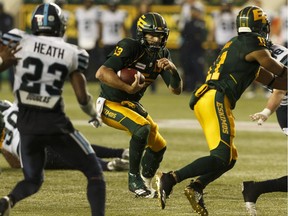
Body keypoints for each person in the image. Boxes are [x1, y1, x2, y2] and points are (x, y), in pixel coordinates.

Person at [156, 5, 287, 215]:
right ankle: (170, 178)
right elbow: (273, 67)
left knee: (229, 158)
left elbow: (273, 79)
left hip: (208, 99)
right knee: (220, 156)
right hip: (216, 97)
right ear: (260, 26)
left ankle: (196, 187)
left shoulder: (240, 47)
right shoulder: (254, 43)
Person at [0, 3, 105, 216]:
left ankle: (7, 201)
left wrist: (4, 63)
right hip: (53, 122)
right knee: (94, 172)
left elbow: (3, 60)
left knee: (33, 179)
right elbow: (82, 97)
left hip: (25, 125)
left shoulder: (19, 39)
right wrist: (93, 114)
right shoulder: (72, 52)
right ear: (60, 25)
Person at [95, 12, 182, 198]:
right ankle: (133, 180)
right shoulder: (130, 47)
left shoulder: (163, 54)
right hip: (110, 103)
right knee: (142, 128)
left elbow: (176, 90)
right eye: (151, 34)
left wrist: (173, 70)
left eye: (160, 35)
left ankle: (146, 184)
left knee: (159, 145)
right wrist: (127, 87)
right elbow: (102, 73)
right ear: (142, 34)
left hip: (130, 103)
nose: (156, 39)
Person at [0, 100, 129, 171]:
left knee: (72, 159)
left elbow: (15, 164)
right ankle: (121, 152)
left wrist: (3, 148)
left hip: (31, 150)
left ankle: (108, 165)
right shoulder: (16, 105)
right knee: (78, 146)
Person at [242, 43, 288, 216]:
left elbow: (280, 89)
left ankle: (254, 189)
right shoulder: (262, 55)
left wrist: (266, 112)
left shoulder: (277, 57)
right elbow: (280, 90)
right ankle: (255, 189)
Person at [180, 4, 207, 92]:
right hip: (188, 50)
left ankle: (204, 87)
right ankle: (189, 87)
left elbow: (201, 37)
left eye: (195, 11)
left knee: (198, 70)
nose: (193, 13)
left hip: (197, 50)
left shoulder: (201, 23)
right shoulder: (188, 23)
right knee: (188, 69)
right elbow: (184, 34)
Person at [75, 0, 102, 81]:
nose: (88, 3)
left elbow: (100, 24)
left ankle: (93, 78)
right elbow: (76, 24)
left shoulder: (96, 10)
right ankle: (83, 76)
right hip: (83, 38)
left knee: (93, 60)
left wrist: (100, 36)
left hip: (93, 38)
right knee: (82, 60)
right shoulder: (79, 11)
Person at [0, 2, 14, 89]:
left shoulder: (8, 16)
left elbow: (10, 29)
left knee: (10, 64)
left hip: (7, 44)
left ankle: (12, 85)